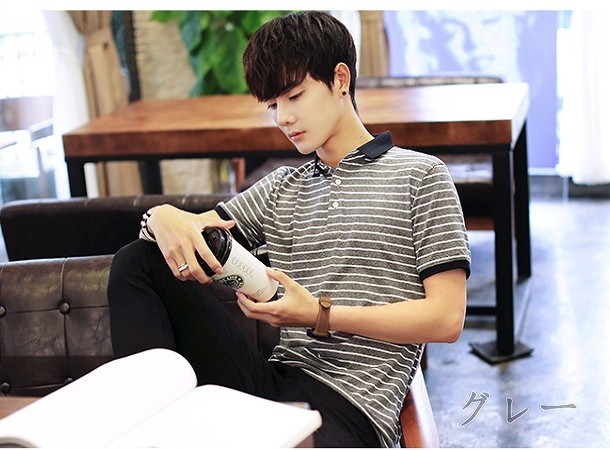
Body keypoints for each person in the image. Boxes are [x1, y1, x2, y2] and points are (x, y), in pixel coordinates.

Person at [108, 10, 470, 448]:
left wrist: (318, 314)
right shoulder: (282, 187)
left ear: (340, 79)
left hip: (348, 410)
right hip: (271, 384)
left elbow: (447, 318)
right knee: (138, 261)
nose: (283, 117)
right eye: (274, 105)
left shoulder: (420, 176)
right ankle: (146, 431)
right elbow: (194, 236)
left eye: (295, 96)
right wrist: (161, 216)